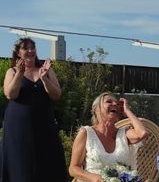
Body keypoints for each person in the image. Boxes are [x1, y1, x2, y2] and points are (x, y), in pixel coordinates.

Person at [2, 37, 67, 181]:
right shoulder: (11, 72)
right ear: (18, 53)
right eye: (26, 48)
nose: (30, 51)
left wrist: (44, 79)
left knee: (47, 163)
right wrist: (20, 73)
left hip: (44, 125)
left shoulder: (46, 70)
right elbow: (10, 94)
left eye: (33, 47)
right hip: (18, 128)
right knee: (21, 164)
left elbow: (56, 95)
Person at [69, 92, 148, 182]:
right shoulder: (86, 133)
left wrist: (127, 111)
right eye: (109, 102)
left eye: (117, 103)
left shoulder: (124, 133)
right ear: (96, 109)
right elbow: (73, 169)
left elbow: (142, 133)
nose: (114, 104)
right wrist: (94, 178)